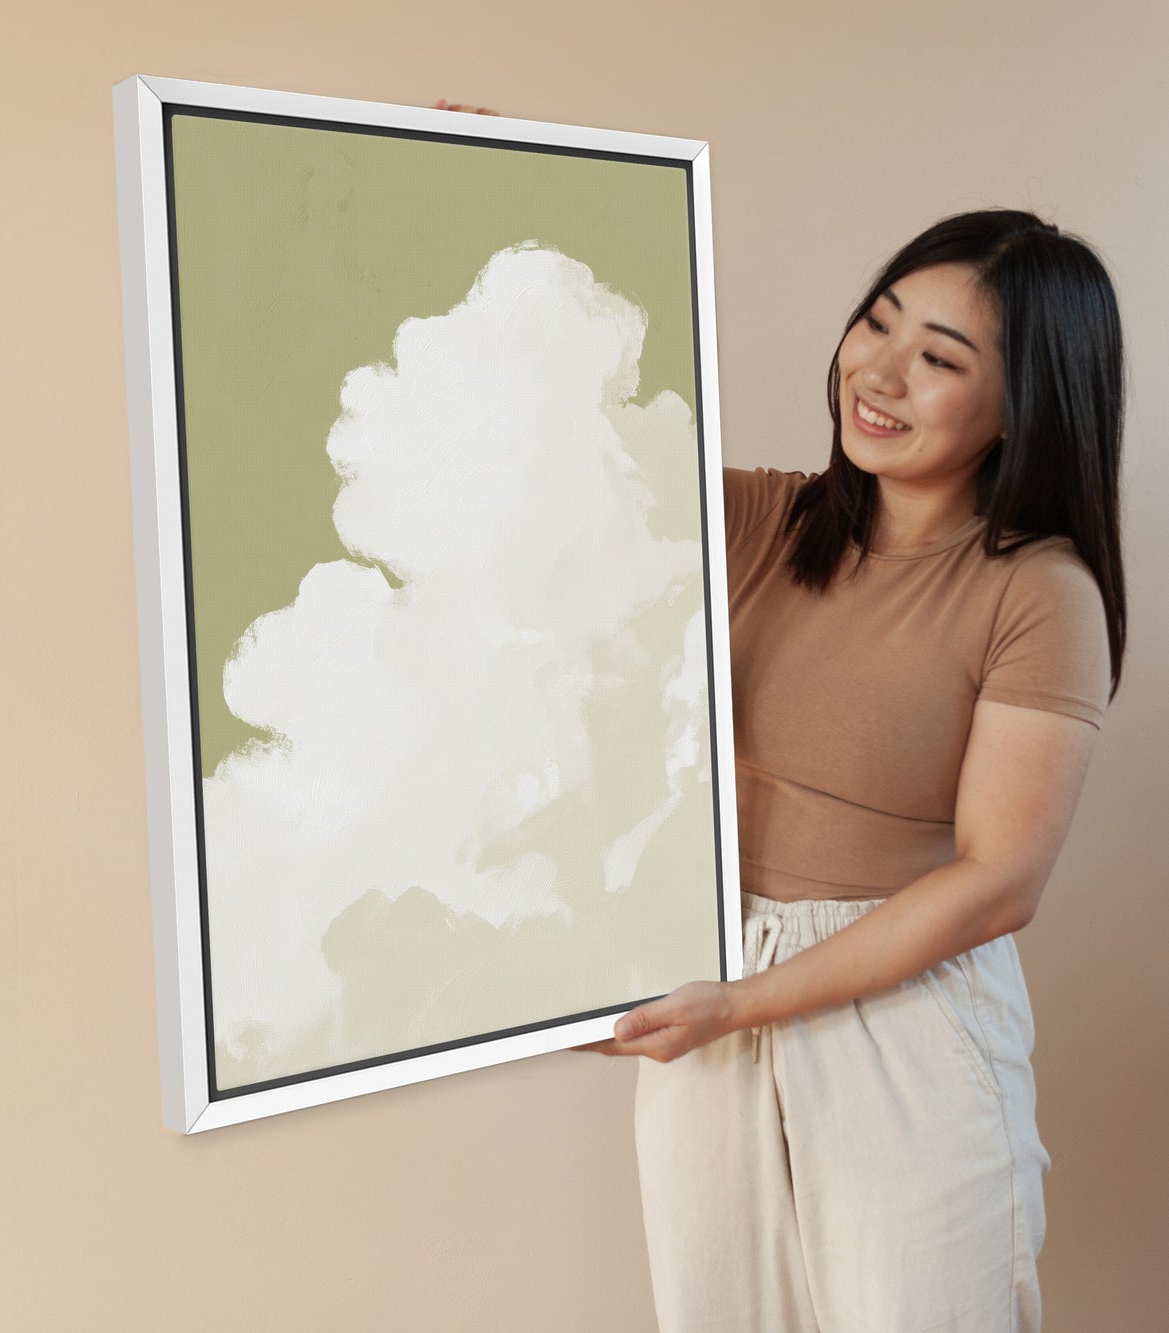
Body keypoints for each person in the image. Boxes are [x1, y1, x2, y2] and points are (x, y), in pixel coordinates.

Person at [427, 106, 1125, 1328]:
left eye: (940, 357)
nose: (878, 370)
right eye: (875, 321)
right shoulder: (755, 516)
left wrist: (740, 1003)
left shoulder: (1037, 589)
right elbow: (525, 455)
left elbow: (998, 879)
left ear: (1022, 404)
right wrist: (481, 209)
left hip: (905, 1017)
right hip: (715, 983)